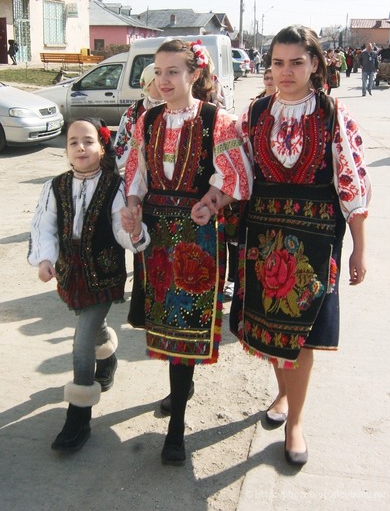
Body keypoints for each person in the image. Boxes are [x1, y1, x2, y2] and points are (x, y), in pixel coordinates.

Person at [230, 25, 371, 467]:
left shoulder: (333, 114)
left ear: (314, 64)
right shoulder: (255, 113)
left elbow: (350, 182)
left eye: (296, 62)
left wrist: (359, 247)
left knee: (303, 334)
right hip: (264, 233)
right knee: (271, 328)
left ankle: (295, 421)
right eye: (278, 62)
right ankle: (282, 394)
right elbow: (236, 172)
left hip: (316, 237)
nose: (286, 71)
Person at [122, 38, 252, 466]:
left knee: (187, 326)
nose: (164, 80)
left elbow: (236, 177)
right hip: (156, 234)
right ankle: (181, 389)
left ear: (194, 74)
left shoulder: (218, 120)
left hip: (197, 237)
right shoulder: (147, 119)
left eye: (173, 71)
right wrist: (133, 206)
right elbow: (136, 171)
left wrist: (212, 202)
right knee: (164, 323)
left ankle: (176, 425)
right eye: (158, 72)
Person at [28, 117, 150, 453]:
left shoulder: (115, 186)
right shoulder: (55, 186)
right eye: (73, 142)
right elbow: (44, 225)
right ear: (66, 150)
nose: (80, 148)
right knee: (90, 325)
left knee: (82, 340)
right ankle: (107, 357)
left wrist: (133, 230)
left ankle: (78, 416)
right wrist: (45, 259)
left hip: (103, 274)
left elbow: (121, 228)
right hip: (70, 274)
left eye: (88, 141)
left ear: (102, 146)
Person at [114, 63, 164, 170]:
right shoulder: (135, 110)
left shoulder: (177, 106)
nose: (163, 84)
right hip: (140, 168)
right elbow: (124, 142)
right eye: (157, 80)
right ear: (148, 85)